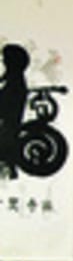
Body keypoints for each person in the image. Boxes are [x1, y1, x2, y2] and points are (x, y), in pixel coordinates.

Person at [0, 43, 30, 180]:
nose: (3, 61)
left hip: (10, 112)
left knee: (8, 136)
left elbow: (5, 99)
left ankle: (10, 167)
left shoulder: (15, 80)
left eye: (5, 59)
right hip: (8, 112)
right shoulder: (14, 77)